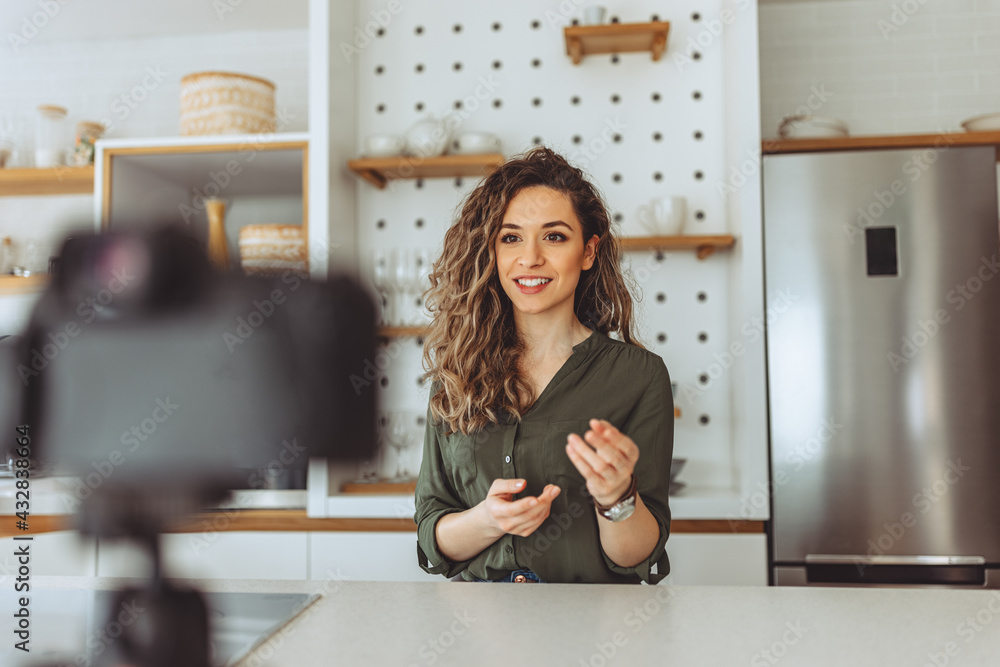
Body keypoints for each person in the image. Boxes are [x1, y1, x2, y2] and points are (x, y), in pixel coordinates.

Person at [414, 146, 674, 584]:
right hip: (477, 637)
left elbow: (637, 556)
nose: (530, 258)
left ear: (588, 252)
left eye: (554, 236)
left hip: (590, 636)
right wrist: (487, 521)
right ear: (491, 252)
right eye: (510, 237)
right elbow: (432, 534)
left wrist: (618, 497)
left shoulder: (639, 376)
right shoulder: (457, 373)